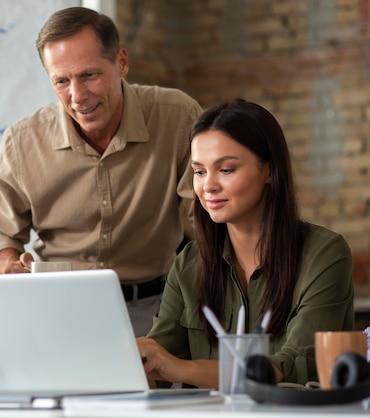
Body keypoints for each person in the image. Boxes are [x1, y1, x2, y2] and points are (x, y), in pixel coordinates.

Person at [0, 6, 202, 337]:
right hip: (56, 308)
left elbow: (208, 213)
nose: (77, 96)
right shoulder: (23, 141)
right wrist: (8, 265)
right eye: (62, 81)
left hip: (156, 309)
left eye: (89, 75)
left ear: (121, 63)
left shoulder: (177, 116)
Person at [137, 99, 354, 388]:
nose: (208, 185)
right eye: (199, 171)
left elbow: (286, 367)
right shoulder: (189, 261)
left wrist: (178, 369)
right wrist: (136, 362)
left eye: (225, 170)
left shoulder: (325, 254)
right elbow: (157, 362)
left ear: (269, 171)